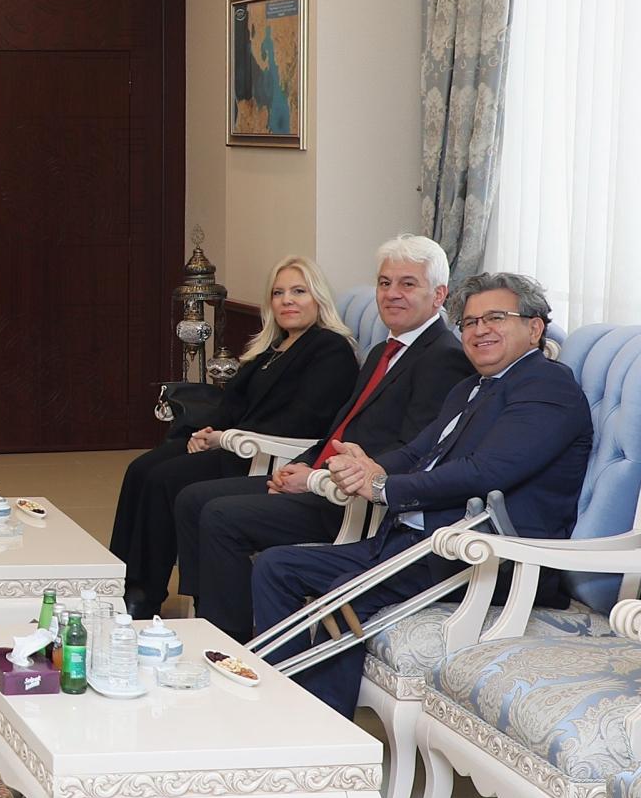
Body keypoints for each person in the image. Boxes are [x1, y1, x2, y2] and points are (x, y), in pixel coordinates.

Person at [250, 272, 593, 717]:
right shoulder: (471, 386)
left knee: (345, 592)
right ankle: (282, 707)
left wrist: (382, 488)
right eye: (470, 322)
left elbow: (486, 472)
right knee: (277, 566)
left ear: (534, 328)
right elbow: (416, 452)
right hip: (418, 543)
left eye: (495, 318)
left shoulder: (546, 386)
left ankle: (322, 726)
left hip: (487, 557)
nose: (480, 330)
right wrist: (369, 468)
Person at [172, 234, 474, 638]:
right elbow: (339, 430)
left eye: (407, 284)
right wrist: (299, 465)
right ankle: (206, 619)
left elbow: (412, 453)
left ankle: (230, 640)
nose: (391, 294)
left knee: (221, 516)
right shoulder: (385, 351)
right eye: (384, 283)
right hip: (321, 479)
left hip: (352, 500)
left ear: (439, 295)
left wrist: (316, 478)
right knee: (193, 498)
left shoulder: (443, 358)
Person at [110, 257, 358, 618]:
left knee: (165, 479)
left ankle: (144, 595)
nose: (287, 300)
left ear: (318, 298)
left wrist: (228, 437)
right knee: (141, 468)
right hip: (233, 444)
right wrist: (206, 432)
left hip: (265, 455)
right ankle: (119, 581)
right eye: (278, 293)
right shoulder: (272, 348)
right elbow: (232, 404)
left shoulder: (329, 348)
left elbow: (305, 419)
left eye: (298, 291)